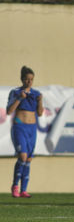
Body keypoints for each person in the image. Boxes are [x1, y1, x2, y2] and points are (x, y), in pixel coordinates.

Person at [7, 66, 44, 198]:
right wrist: (19, 99)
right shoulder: (15, 92)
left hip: (32, 129)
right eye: (27, 79)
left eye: (31, 79)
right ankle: (15, 186)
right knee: (22, 156)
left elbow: (39, 113)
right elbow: (9, 111)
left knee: (28, 159)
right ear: (22, 79)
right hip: (20, 127)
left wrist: (40, 101)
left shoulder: (36, 94)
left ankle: (23, 189)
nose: (29, 82)